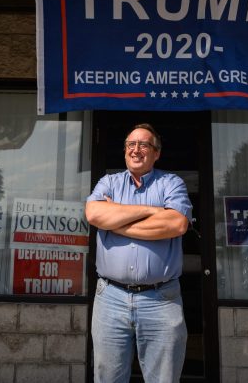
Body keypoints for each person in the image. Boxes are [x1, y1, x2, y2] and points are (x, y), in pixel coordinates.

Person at [85, 123, 192, 383]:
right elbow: (94, 214)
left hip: (161, 299)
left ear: (156, 153)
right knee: (108, 377)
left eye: (144, 145)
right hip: (110, 297)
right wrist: (155, 211)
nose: (136, 150)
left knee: (163, 378)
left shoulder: (171, 183)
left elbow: (177, 224)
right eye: (131, 145)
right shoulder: (108, 182)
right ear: (124, 151)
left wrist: (117, 223)